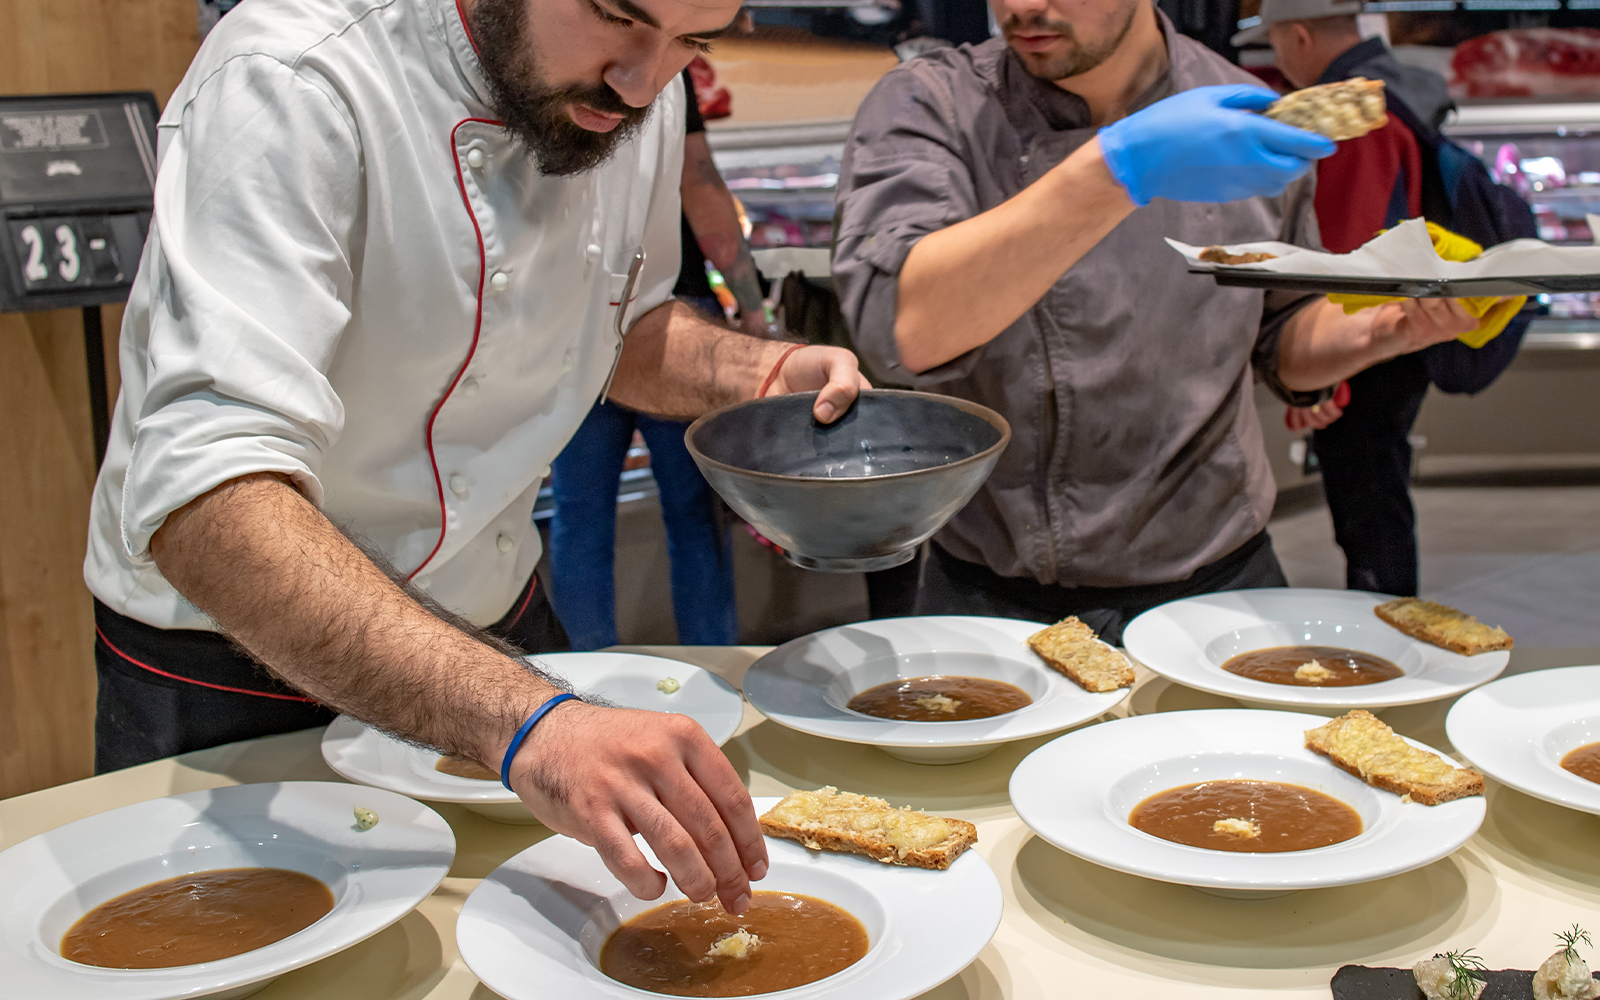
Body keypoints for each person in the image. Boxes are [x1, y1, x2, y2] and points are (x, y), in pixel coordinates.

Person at [84, 0, 870, 915]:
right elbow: (209, 496)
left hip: (499, 631)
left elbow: (621, 323)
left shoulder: (635, 87)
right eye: (618, 18)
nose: (644, 82)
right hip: (234, 659)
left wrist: (758, 367)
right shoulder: (295, 78)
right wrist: (533, 723)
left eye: (690, 44)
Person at [833, 0, 1490, 644]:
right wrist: (1120, 165)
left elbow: (1280, 331)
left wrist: (1383, 331)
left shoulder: (1241, 106)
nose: (1023, 6)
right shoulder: (930, 104)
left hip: (1219, 582)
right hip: (986, 595)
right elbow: (901, 329)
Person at [1251, 3, 1514, 597]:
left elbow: (1348, 248)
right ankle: (1392, 627)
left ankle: (1387, 646)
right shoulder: (1399, 89)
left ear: (1297, 36)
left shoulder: (1347, 112)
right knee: (1379, 491)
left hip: (1367, 343)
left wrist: (1324, 382)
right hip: (1404, 321)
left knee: (1368, 505)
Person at [548, 67, 765, 649]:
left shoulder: (560, 56)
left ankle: (575, 690)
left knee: (579, 518)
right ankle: (716, 675)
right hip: (675, 315)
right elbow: (701, 186)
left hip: (581, 312)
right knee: (694, 516)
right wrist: (753, 311)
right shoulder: (665, 70)